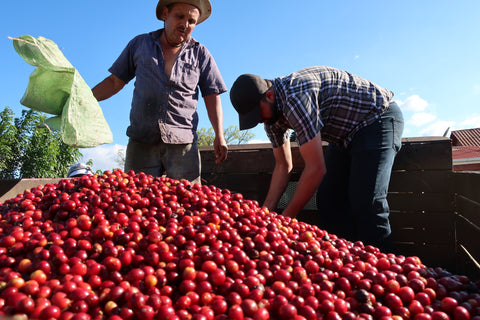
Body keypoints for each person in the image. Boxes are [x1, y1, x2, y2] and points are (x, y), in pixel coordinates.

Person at [230, 66, 404, 251]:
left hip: (377, 118)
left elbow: (316, 168)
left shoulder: (295, 98)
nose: (259, 120)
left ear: (270, 96)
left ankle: (383, 266)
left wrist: (285, 220)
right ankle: (348, 261)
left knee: (366, 200)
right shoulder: (271, 119)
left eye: (258, 113)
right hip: (343, 136)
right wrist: (266, 215)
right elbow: (283, 165)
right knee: (329, 199)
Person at [92, 0, 228, 184]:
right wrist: (85, 99)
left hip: (183, 143)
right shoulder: (140, 44)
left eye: (191, 21)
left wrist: (219, 134)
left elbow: (212, 95)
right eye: (179, 17)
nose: (185, 25)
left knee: (186, 202)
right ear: (165, 14)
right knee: (136, 199)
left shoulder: (201, 54)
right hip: (142, 138)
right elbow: (115, 82)